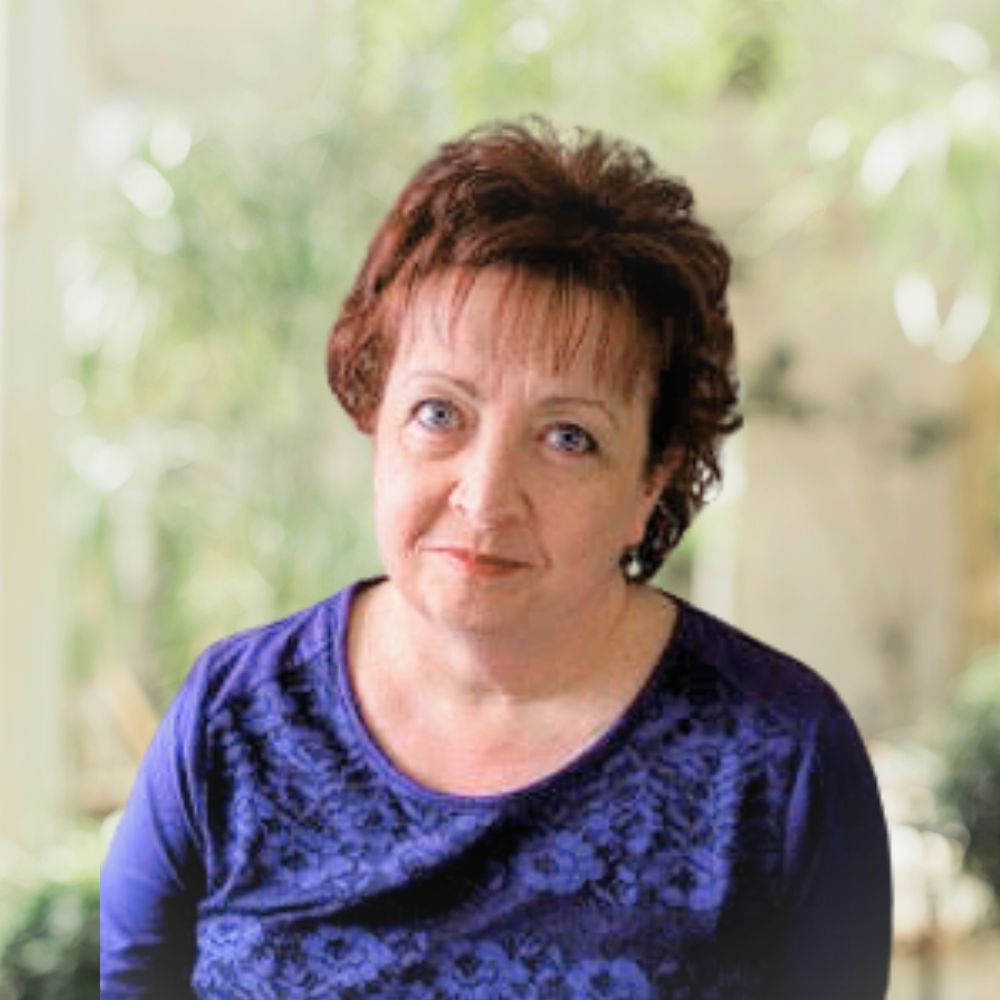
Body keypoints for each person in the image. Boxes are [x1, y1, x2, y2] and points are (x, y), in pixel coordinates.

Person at [100, 118, 892, 998]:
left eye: (568, 437)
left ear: (653, 480)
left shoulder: (781, 756)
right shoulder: (234, 720)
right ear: (375, 417)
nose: (485, 497)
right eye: (440, 413)